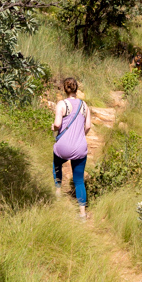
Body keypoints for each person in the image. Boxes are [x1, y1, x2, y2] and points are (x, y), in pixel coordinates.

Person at [52, 76, 91, 218]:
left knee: (57, 164)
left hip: (63, 146)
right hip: (79, 147)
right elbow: (88, 126)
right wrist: (80, 134)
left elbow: (57, 124)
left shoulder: (61, 104)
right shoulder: (84, 105)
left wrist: (53, 127)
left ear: (64, 88)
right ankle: (82, 213)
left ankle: (57, 191)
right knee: (79, 180)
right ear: (77, 89)